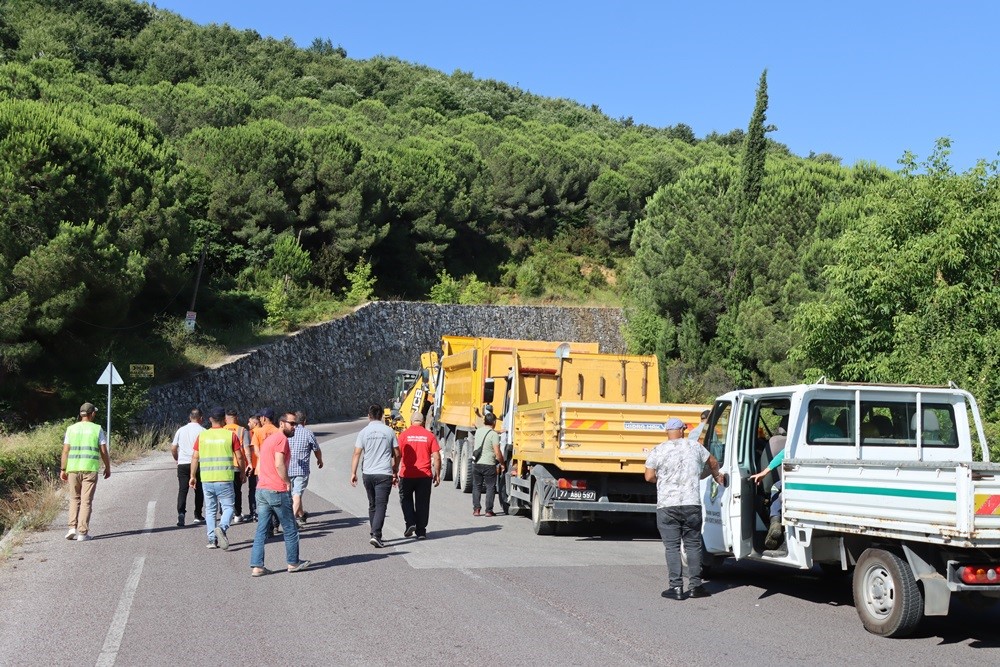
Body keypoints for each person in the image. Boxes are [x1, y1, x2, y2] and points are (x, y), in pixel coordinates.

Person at [644, 417, 724, 600]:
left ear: (667, 431)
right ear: (683, 429)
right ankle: (696, 587)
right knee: (693, 545)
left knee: (672, 547)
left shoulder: (659, 450)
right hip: (691, 503)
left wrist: (663, 482)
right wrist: (716, 475)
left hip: (667, 505)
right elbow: (712, 462)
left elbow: (648, 476)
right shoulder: (695, 446)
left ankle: (676, 588)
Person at [250, 412, 310, 576]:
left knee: (261, 529)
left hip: (262, 489)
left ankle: (257, 566)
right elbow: (279, 464)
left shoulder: (268, 440)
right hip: (276, 489)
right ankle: (293, 563)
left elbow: (261, 461)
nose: (294, 427)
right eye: (291, 423)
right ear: (282, 423)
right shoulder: (281, 439)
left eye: (296, 424)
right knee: (290, 528)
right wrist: (287, 482)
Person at [190, 408, 247, 550]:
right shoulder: (230, 435)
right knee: (228, 508)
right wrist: (242, 472)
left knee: (210, 510)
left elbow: (195, 457)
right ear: (224, 420)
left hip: (207, 479)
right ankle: (222, 527)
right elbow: (239, 456)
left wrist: (192, 476)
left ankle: (211, 540)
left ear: (210, 420)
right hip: (225, 478)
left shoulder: (202, 436)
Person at [60, 403, 111, 541]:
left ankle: (71, 528)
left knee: (74, 499)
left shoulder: (71, 429)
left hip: (73, 469)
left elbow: (65, 450)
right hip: (89, 468)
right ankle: (82, 532)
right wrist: (107, 467)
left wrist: (63, 469)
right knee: (86, 501)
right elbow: (103, 451)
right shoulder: (97, 429)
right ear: (92, 414)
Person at [351, 404, 400, 548]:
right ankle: (376, 534)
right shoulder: (389, 431)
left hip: (368, 473)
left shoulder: (364, 432)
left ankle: (374, 534)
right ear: (381, 416)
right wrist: (395, 468)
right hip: (384, 473)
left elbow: (357, 453)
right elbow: (397, 453)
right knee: (381, 505)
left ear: (369, 416)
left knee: (372, 505)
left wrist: (353, 473)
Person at [397, 410, 441, 539]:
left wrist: (394, 470)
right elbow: (437, 457)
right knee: (422, 502)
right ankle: (421, 531)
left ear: (411, 421)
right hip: (424, 476)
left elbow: (398, 454)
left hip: (407, 474)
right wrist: (437, 474)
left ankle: (410, 523)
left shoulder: (403, 435)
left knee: (406, 499)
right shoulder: (429, 435)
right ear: (422, 422)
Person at [750, 415, 790, 551]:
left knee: (775, 487)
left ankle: (774, 521)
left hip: (793, 483)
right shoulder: (836, 433)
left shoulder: (781, 442)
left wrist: (764, 472)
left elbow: (782, 455)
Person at [288, 410, 323, 527]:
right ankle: (291, 521)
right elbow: (316, 449)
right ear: (304, 421)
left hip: (287, 468)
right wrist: (319, 460)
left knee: (295, 493)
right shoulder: (307, 433)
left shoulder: (287, 432)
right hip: (301, 470)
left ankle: (302, 514)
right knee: (297, 493)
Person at [172, 408, 205, 527]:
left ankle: (181, 514)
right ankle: (198, 515)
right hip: (199, 462)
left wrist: (177, 458)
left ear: (189, 417)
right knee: (199, 489)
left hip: (183, 463)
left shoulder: (181, 430)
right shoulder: (203, 431)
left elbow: (173, 447)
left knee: (182, 490)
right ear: (201, 418)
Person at [252, 408, 281, 535]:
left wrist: (264, 459)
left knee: (263, 500)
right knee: (276, 497)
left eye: (260, 418)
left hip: (262, 470)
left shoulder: (258, 432)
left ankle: (267, 526)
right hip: (275, 469)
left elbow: (256, 451)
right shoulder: (278, 431)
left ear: (264, 418)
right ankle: (275, 525)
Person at [472, 412, 504, 517]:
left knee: (477, 486)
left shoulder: (478, 431)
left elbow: (486, 432)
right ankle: (488, 511)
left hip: (477, 463)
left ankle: (476, 510)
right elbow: (497, 453)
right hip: (489, 464)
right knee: (490, 487)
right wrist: (502, 463)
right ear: (494, 422)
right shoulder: (494, 435)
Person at [223, 409, 251, 523]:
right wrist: (249, 463)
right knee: (237, 491)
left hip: (224, 466)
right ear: (237, 418)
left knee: (224, 491)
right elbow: (246, 448)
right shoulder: (242, 430)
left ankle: (224, 513)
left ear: (225, 419)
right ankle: (237, 514)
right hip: (236, 466)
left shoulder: (221, 430)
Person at [244, 413, 261, 522]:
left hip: (253, 466)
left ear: (255, 423)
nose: (248, 424)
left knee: (252, 490)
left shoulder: (250, 434)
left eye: (249, 422)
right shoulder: (265, 432)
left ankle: (254, 512)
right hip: (264, 465)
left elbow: (248, 450)